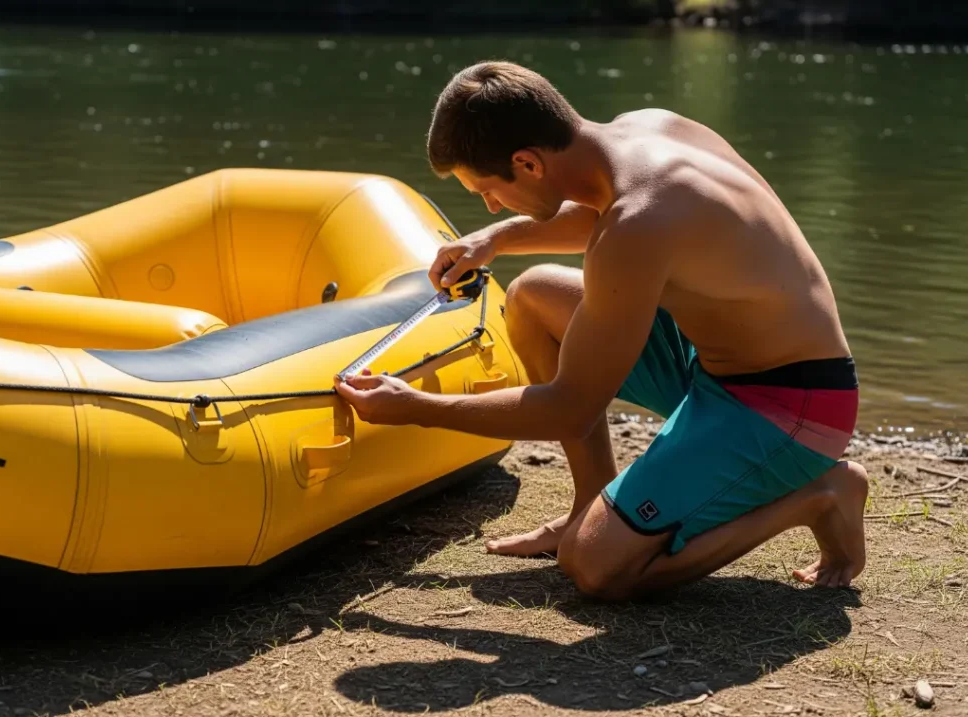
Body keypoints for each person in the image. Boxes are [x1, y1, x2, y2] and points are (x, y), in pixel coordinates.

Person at [333, 61, 868, 600]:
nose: (490, 204)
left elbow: (570, 407)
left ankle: (820, 493)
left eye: (488, 192)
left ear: (527, 162)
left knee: (595, 567)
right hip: (713, 363)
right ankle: (588, 501)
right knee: (533, 295)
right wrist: (494, 237)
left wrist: (416, 408)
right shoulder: (650, 130)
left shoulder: (636, 223)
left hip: (793, 405)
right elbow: (608, 214)